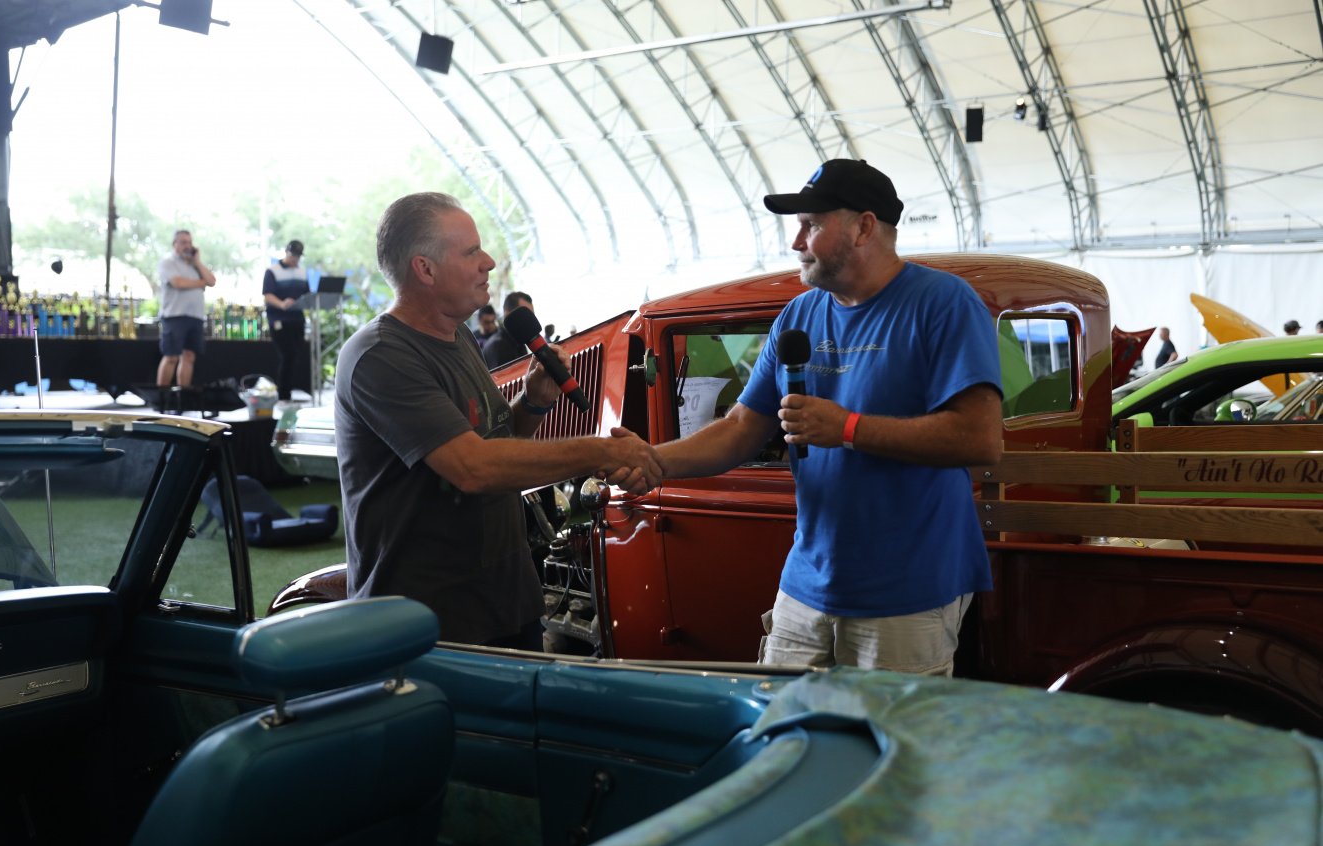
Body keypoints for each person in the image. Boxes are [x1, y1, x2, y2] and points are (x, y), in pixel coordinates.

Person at [655, 159, 1003, 675]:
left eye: (812, 225)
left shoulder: (943, 303)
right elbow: (741, 428)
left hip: (907, 590)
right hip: (808, 584)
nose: (796, 241)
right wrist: (651, 461)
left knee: (886, 730)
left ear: (864, 227)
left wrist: (847, 429)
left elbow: (980, 439)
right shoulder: (799, 315)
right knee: (784, 720)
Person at [335, 193, 662, 648]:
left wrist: (533, 403)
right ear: (425, 269)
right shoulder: (380, 356)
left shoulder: (459, 336)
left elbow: (494, 440)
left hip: (504, 603)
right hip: (429, 624)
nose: (488, 262)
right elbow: (474, 468)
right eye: (471, 251)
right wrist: (602, 452)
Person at [156, 229, 215, 387]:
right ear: (174, 244)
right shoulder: (168, 262)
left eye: (189, 242)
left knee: (189, 356)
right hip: (174, 316)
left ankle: (183, 395)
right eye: (183, 242)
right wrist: (201, 283)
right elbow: (178, 283)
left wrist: (198, 261)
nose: (188, 246)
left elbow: (211, 281)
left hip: (195, 317)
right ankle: (162, 397)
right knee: (171, 356)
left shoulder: (196, 266)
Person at [262, 240, 309, 403]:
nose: (295, 259)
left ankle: (291, 392)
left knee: (296, 357)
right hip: (279, 320)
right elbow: (268, 295)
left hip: (298, 320)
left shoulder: (302, 271)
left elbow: (307, 295)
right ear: (286, 252)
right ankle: (283, 395)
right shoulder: (273, 271)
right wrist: (282, 304)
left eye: (298, 256)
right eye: (293, 255)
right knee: (287, 356)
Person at [481, 291, 534, 369]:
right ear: (508, 316)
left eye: (532, 316)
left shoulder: (518, 342)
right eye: (525, 316)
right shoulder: (498, 346)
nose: (531, 321)